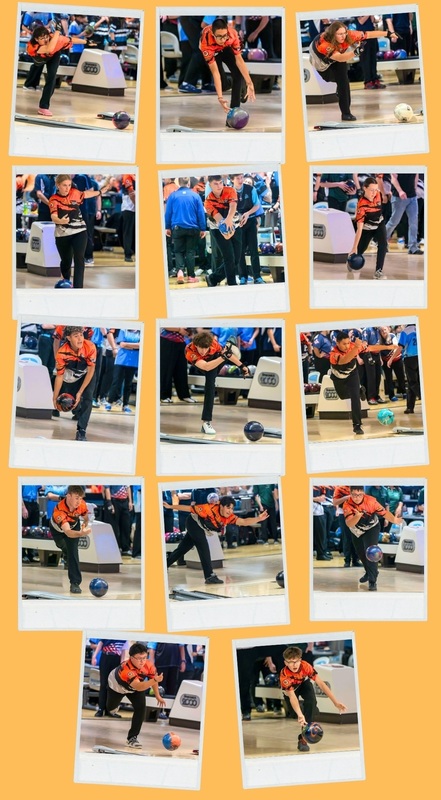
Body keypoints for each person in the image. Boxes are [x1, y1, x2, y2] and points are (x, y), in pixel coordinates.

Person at [164, 495, 269, 584]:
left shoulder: (229, 517)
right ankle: (209, 576)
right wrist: (170, 506)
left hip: (201, 527)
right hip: (193, 522)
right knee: (203, 546)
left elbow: (244, 522)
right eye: (228, 508)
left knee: (184, 547)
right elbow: (188, 508)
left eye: (232, 508)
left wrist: (258, 518)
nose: (230, 511)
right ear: (221, 506)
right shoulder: (208, 509)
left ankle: (165, 563)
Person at [309, 20, 398, 120]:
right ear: (333, 34)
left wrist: (389, 33)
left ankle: (346, 113)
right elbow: (340, 58)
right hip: (322, 63)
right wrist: (355, 52)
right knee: (331, 79)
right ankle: (340, 89)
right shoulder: (324, 44)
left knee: (344, 82)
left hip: (339, 55)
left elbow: (368, 34)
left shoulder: (348, 35)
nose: (343, 36)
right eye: (340, 34)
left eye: (344, 33)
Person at [49, 174, 115, 288]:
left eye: (69, 185)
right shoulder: (54, 199)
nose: (67, 188)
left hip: (80, 231)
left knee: (79, 259)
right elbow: (53, 216)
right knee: (66, 261)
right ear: (58, 185)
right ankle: (65, 283)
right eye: (64, 185)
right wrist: (60, 220)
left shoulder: (75, 193)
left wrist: (100, 192)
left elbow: (86, 194)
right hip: (62, 234)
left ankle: (78, 288)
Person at [279, 646, 347, 752]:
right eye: (291, 662)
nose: (294, 665)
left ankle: (303, 740)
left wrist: (335, 702)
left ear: (300, 660)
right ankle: (308, 709)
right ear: (285, 663)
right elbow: (292, 696)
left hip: (304, 684)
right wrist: (300, 714)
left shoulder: (306, 666)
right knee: (294, 714)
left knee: (310, 703)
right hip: (291, 691)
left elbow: (322, 684)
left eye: (296, 661)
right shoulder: (284, 675)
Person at [329, 332, 396, 435]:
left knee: (355, 398)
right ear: (337, 343)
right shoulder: (333, 354)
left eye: (348, 343)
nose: (347, 346)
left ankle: (357, 425)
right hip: (338, 378)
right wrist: (356, 347)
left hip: (352, 375)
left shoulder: (353, 346)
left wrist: (387, 347)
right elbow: (344, 360)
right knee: (343, 396)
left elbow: (371, 348)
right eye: (344, 344)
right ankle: (360, 390)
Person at [185, 330, 249, 434]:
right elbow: (206, 367)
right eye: (201, 348)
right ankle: (206, 422)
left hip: (215, 359)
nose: (203, 351)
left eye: (206, 348)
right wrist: (224, 356)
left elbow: (228, 355)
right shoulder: (190, 350)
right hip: (201, 364)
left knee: (224, 353)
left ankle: (206, 423)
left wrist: (242, 366)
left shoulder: (214, 344)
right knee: (210, 384)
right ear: (196, 345)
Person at [106, 642, 166, 748]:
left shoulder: (149, 664)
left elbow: (153, 681)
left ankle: (132, 738)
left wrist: (158, 696)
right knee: (110, 708)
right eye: (139, 658)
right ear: (131, 658)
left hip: (135, 687)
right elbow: (140, 686)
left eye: (144, 657)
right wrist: (154, 680)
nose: (142, 661)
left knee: (141, 708)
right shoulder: (126, 670)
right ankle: (114, 707)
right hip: (117, 686)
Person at [26, 25, 93, 116]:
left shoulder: (55, 38)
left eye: (46, 37)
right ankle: (30, 83)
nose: (45, 40)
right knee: (36, 66)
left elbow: (70, 39)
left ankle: (43, 107)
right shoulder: (33, 46)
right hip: (39, 58)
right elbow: (48, 49)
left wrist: (86, 41)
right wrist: (57, 31)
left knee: (52, 77)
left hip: (54, 55)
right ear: (36, 39)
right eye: (42, 38)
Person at [343, 487, 402, 591]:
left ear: (363, 494)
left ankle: (372, 581)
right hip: (356, 529)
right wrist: (357, 516)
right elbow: (349, 523)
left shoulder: (371, 501)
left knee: (371, 552)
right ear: (350, 494)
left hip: (372, 527)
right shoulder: (347, 504)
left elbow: (384, 513)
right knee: (361, 553)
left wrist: (394, 520)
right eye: (354, 495)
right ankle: (369, 572)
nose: (357, 498)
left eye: (359, 494)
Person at [199, 17, 256, 118]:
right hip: (213, 51)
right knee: (223, 85)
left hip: (227, 49)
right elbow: (215, 73)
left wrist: (250, 83)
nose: (223, 39)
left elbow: (239, 60)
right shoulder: (206, 44)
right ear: (213, 34)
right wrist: (220, 97)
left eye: (224, 35)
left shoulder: (232, 34)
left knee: (238, 75)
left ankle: (234, 114)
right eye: (219, 36)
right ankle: (237, 84)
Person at [53, 327, 96, 441]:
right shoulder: (61, 353)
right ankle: (76, 411)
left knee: (88, 397)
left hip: (87, 373)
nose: (80, 338)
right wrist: (54, 397)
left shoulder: (90, 346)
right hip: (72, 373)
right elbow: (60, 376)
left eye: (81, 335)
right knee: (73, 400)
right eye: (76, 336)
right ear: (68, 338)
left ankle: (81, 431)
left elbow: (91, 370)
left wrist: (80, 391)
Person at [49, 485, 91, 594]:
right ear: (68, 496)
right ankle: (65, 553)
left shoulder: (81, 504)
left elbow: (86, 518)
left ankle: (75, 583)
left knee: (73, 552)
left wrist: (84, 525)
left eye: (81, 498)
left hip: (74, 526)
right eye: (76, 498)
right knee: (62, 546)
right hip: (58, 530)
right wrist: (81, 534)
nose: (79, 501)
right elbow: (68, 533)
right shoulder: (59, 510)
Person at [165, 178, 206, 283]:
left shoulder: (173, 196)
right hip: (193, 228)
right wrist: (203, 228)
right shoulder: (195, 196)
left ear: (179, 184)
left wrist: (167, 227)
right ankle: (191, 276)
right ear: (188, 183)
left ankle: (180, 272)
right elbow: (200, 214)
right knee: (190, 252)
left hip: (177, 228)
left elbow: (168, 213)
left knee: (178, 251)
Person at [348, 176, 389, 280]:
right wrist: (354, 248)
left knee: (383, 244)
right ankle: (351, 260)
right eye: (371, 190)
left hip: (379, 224)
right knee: (361, 250)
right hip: (367, 228)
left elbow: (383, 196)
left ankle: (378, 270)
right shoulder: (361, 205)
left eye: (375, 190)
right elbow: (359, 229)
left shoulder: (378, 193)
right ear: (364, 188)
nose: (374, 193)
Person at [204, 176, 241, 287]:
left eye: (221, 183)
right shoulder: (208, 201)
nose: (219, 186)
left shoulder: (230, 190)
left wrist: (229, 219)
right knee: (229, 256)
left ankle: (213, 278)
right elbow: (219, 219)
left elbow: (233, 205)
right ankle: (232, 283)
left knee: (237, 258)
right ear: (210, 185)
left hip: (234, 223)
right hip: (217, 227)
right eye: (216, 184)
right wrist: (227, 231)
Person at [231, 173, 264, 284]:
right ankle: (242, 276)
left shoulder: (251, 189)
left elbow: (257, 205)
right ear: (232, 180)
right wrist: (238, 216)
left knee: (254, 250)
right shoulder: (229, 192)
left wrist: (247, 214)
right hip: (238, 223)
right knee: (240, 251)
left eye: (241, 177)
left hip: (250, 221)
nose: (240, 180)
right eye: (237, 178)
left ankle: (257, 276)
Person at [385, 174, 423, 255]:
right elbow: (393, 178)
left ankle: (413, 247)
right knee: (394, 221)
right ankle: (382, 242)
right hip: (398, 197)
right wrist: (400, 191)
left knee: (414, 222)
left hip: (412, 196)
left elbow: (416, 175)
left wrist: (415, 187)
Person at [105, 329, 140, 413]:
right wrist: (134, 346)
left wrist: (128, 345)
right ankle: (109, 402)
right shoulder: (123, 330)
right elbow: (122, 344)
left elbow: (141, 345)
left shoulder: (140, 332)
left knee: (128, 384)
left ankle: (125, 405)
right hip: (121, 360)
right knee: (116, 382)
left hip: (133, 361)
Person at [92, 639, 128, 718]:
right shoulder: (108, 634)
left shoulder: (124, 638)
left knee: (112, 686)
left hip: (116, 659)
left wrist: (122, 665)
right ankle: (101, 709)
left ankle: (110, 710)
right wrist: (94, 656)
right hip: (105, 657)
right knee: (103, 684)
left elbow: (123, 651)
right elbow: (100, 643)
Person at [392, 323, 420, 414]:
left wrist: (391, 358)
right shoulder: (419, 327)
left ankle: (423, 396)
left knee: (412, 382)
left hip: (410, 358)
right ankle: (410, 407)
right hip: (420, 357)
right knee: (417, 382)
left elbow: (400, 347)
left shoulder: (405, 331)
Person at [104, 485, 133, 555]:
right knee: (114, 526)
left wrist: (130, 501)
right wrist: (109, 503)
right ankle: (114, 548)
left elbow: (128, 487)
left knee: (126, 525)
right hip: (114, 501)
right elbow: (107, 488)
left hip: (125, 501)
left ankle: (125, 548)